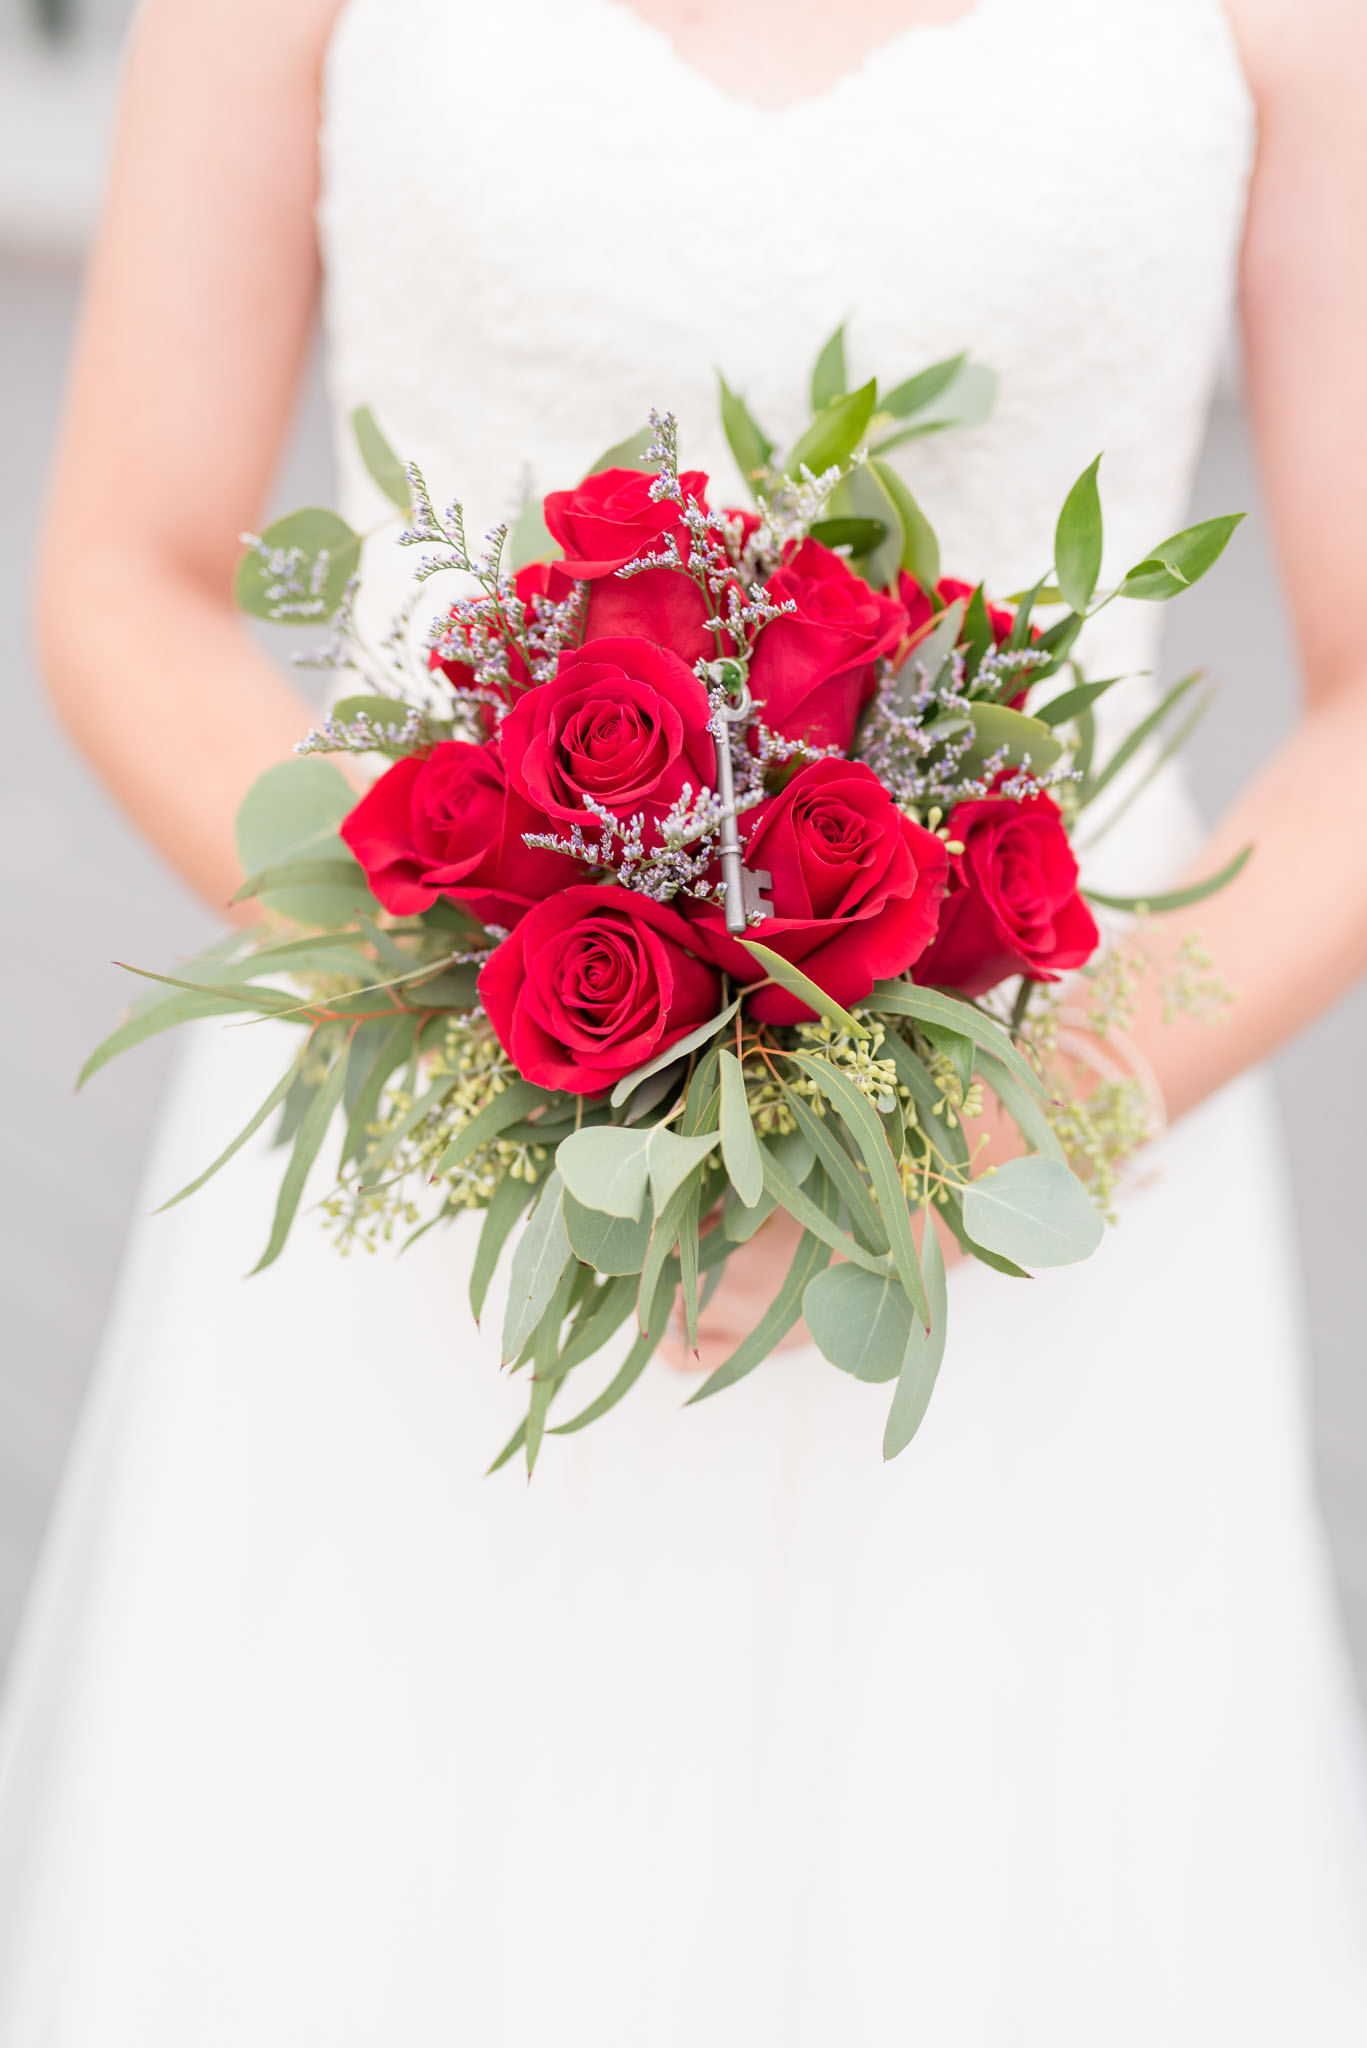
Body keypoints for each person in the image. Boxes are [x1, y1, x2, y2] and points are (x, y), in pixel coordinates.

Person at [4, 0, 1367, 2038]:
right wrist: (469, 993)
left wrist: (991, 1117)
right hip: (436, 1210)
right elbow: (125, 567)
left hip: (1035, 1237)